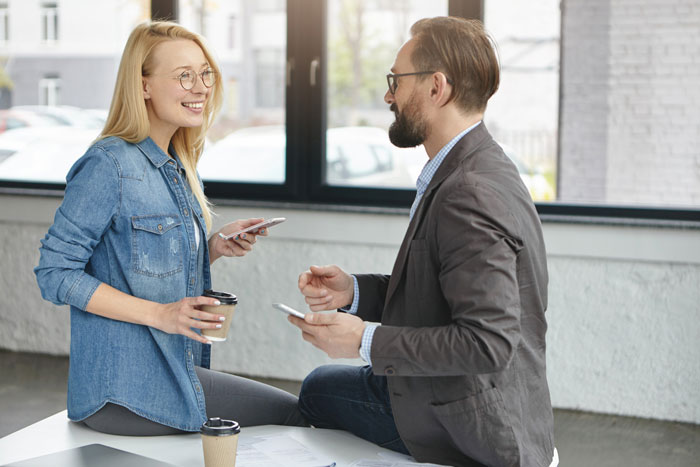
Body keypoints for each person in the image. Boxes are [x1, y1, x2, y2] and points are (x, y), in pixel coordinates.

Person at [289, 17, 557, 467]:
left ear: (437, 88)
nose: (389, 95)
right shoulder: (481, 165)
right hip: (481, 399)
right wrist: (354, 292)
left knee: (317, 391)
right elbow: (447, 288)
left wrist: (365, 341)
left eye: (396, 80)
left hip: (475, 423)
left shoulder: (467, 191)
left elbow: (487, 342)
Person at [34, 21, 305, 436]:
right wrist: (160, 314)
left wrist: (211, 246)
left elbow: (140, 258)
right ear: (143, 86)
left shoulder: (174, 163)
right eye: (184, 76)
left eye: (205, 73)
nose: (200, 87)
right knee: (297, 413)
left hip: (172, 372)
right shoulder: (108, 165)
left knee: (295, 412)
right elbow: (54, 274)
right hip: (123, 389)